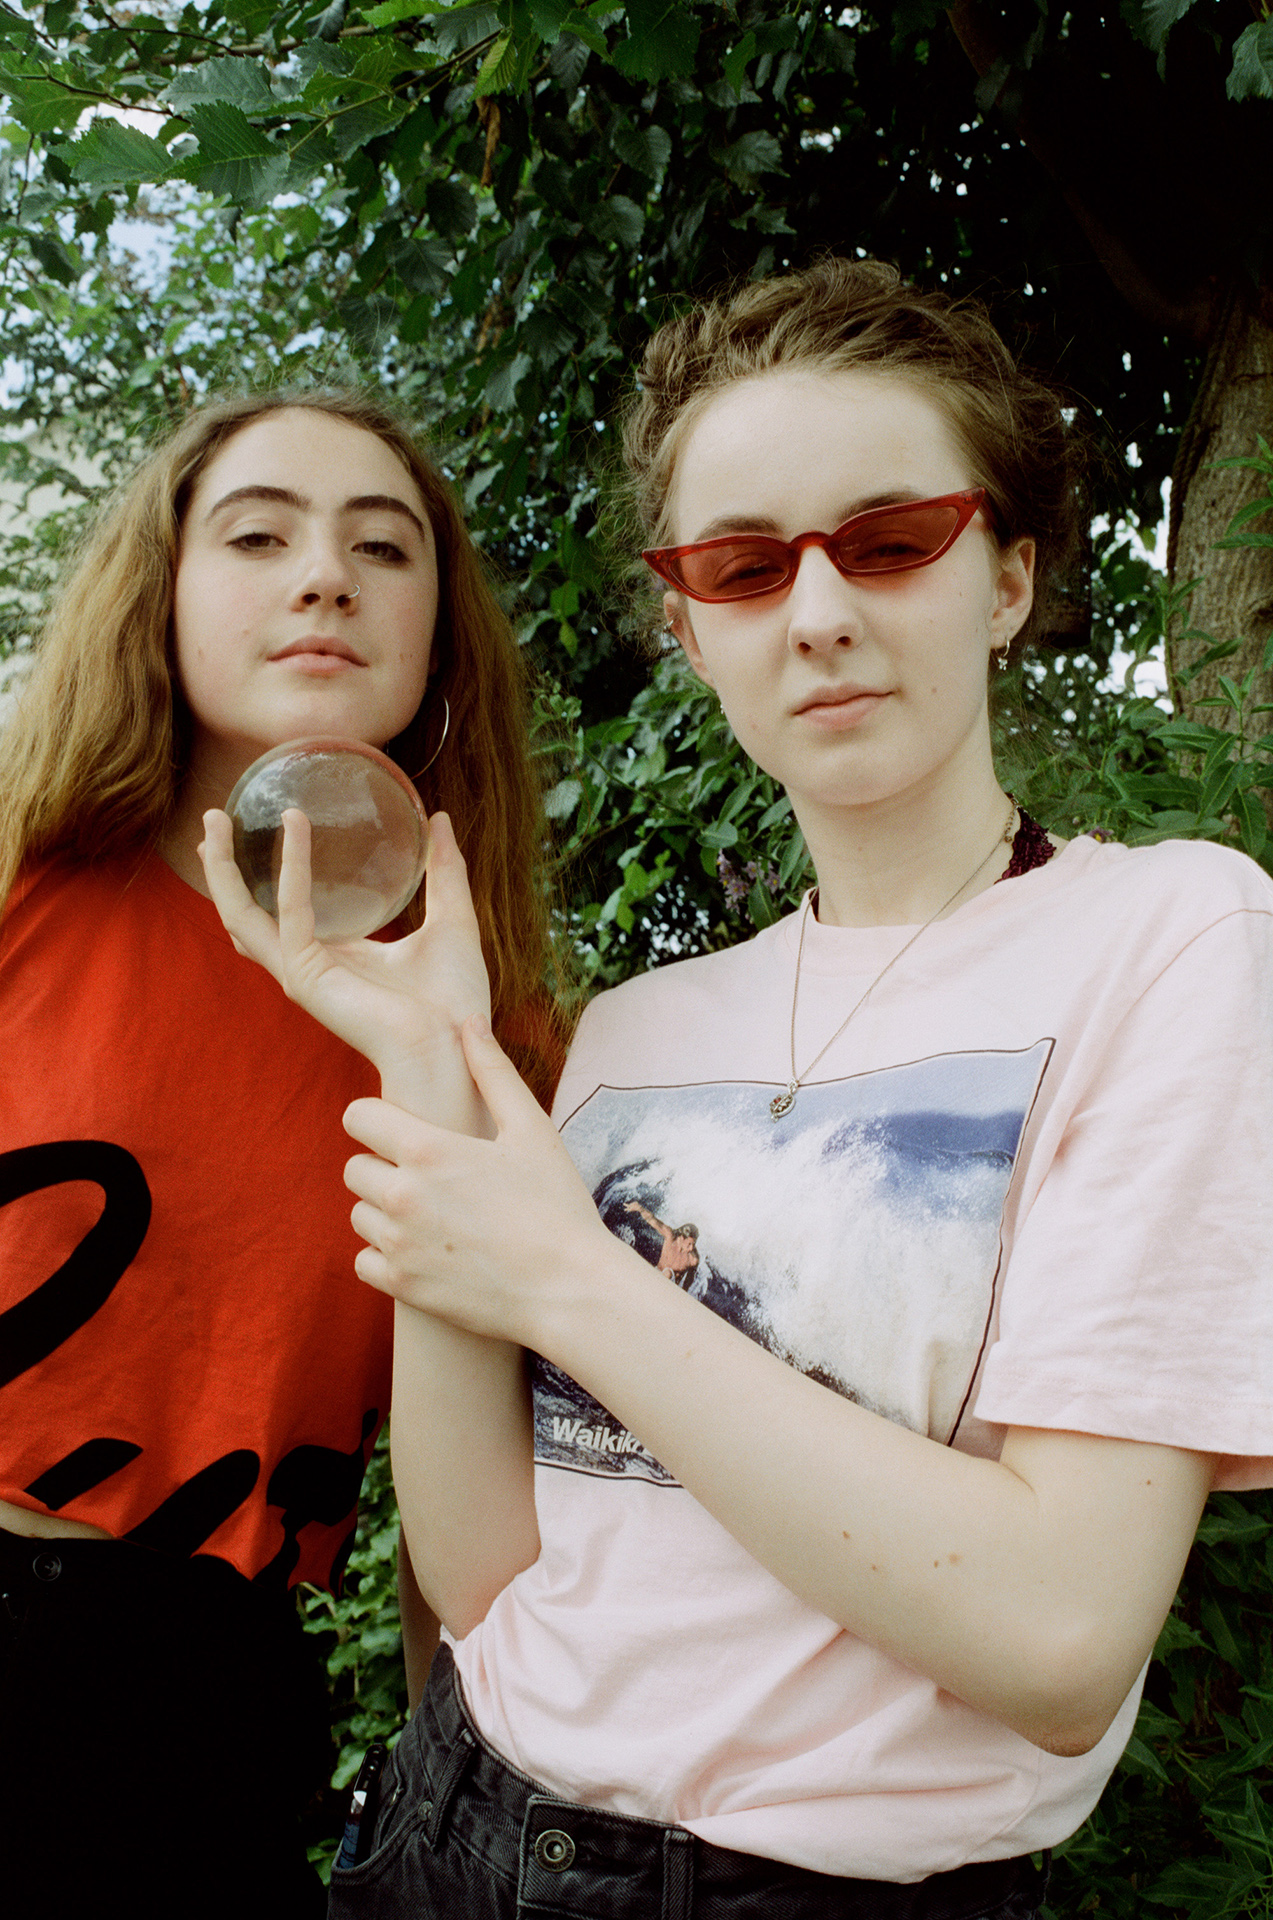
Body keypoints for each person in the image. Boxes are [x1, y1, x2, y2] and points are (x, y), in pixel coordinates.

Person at [203, 261, 1273, 1919]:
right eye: (744, 566)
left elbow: (1058, 1639)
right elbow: (487, 1582)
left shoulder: (1171, 934)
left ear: (1005, 577)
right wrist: (430, 1067)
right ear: (690, 629)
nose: (817, 611)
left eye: (890, 539)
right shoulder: (638, 1029)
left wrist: (565, 1275)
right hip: (454, 1837)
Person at [0, 389, 557, 1920]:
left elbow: (469, 1505)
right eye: (258, 537)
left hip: (198, 1720)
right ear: (161, 591)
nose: (324, 578)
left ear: (437, 635)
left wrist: (466, 1828)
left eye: (382, 547)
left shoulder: (489, 1038)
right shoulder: (19, 882)